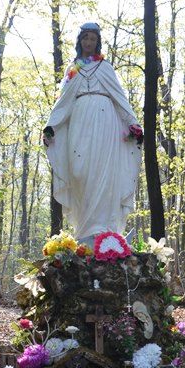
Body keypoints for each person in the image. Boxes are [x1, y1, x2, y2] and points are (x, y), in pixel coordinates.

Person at [44, 22, 143, 243]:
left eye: (93, 39)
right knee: (79, 172)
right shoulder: (73, 70)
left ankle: (105, 231)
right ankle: (85, 230)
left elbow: (120, 98)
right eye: (85, 38)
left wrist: (133, 124)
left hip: (105, 121)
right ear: (80, 41)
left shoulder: (105, 68)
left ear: (97, 42)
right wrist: (51, 125)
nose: (89, 42)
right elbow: (63, 102)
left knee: (103, 173)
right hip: (79, 122)